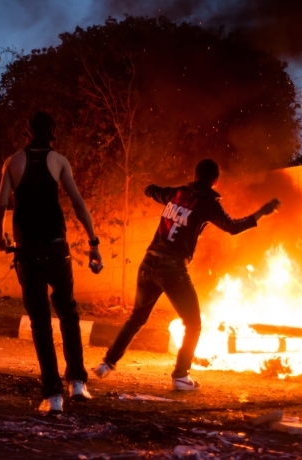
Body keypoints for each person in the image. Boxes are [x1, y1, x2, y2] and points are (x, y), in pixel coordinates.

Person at [94, 159, 280, 391]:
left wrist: (149, 188)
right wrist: (262, 212)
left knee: (137, 318)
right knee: (193, 323)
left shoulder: (177, 192)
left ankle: (107, 363)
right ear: (215, 181)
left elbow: (155, 191)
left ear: (195, 175)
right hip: (171, 268)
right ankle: (181, 376)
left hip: (148, 261)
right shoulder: (208, 202)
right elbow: (232, 227)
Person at [0, 112, 103, 413]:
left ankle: (53, 396)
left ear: (26, 132)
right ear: (52, 134)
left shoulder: (13, 162)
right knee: (68, 312)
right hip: (57, 248)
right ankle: (78, 383)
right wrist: (94, 243)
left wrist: (0, 234)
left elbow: (1, 203)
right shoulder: (59, 161)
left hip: (27, 250)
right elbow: (78, 203)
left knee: (40, 322)